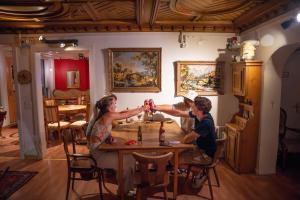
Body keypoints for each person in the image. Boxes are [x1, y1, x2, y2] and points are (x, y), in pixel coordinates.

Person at [87, 94, 149, 194]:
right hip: (97, 156)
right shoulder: (108, 115)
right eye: (114, 104)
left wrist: (107, 138)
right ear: (109, 106)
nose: (116, 106)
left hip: (102, 150)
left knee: (131, 157)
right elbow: (124, 114)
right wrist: (142, 108)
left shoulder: (106, 115)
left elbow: (123, 112)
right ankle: (124, 191)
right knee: (127, 161)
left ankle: (126, 189)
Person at [153, 96, 216, 187]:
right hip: (199, 148)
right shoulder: (200, 114)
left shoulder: (206, 122)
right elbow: (178, 113)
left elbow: (188, 139)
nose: (191, 107)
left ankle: (199, 171)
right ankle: (162, 173)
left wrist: (182, 139)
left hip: (205, 155)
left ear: (199, 109)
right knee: (171, 153)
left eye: (194, 105)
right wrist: (158, 108)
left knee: (172, 158)